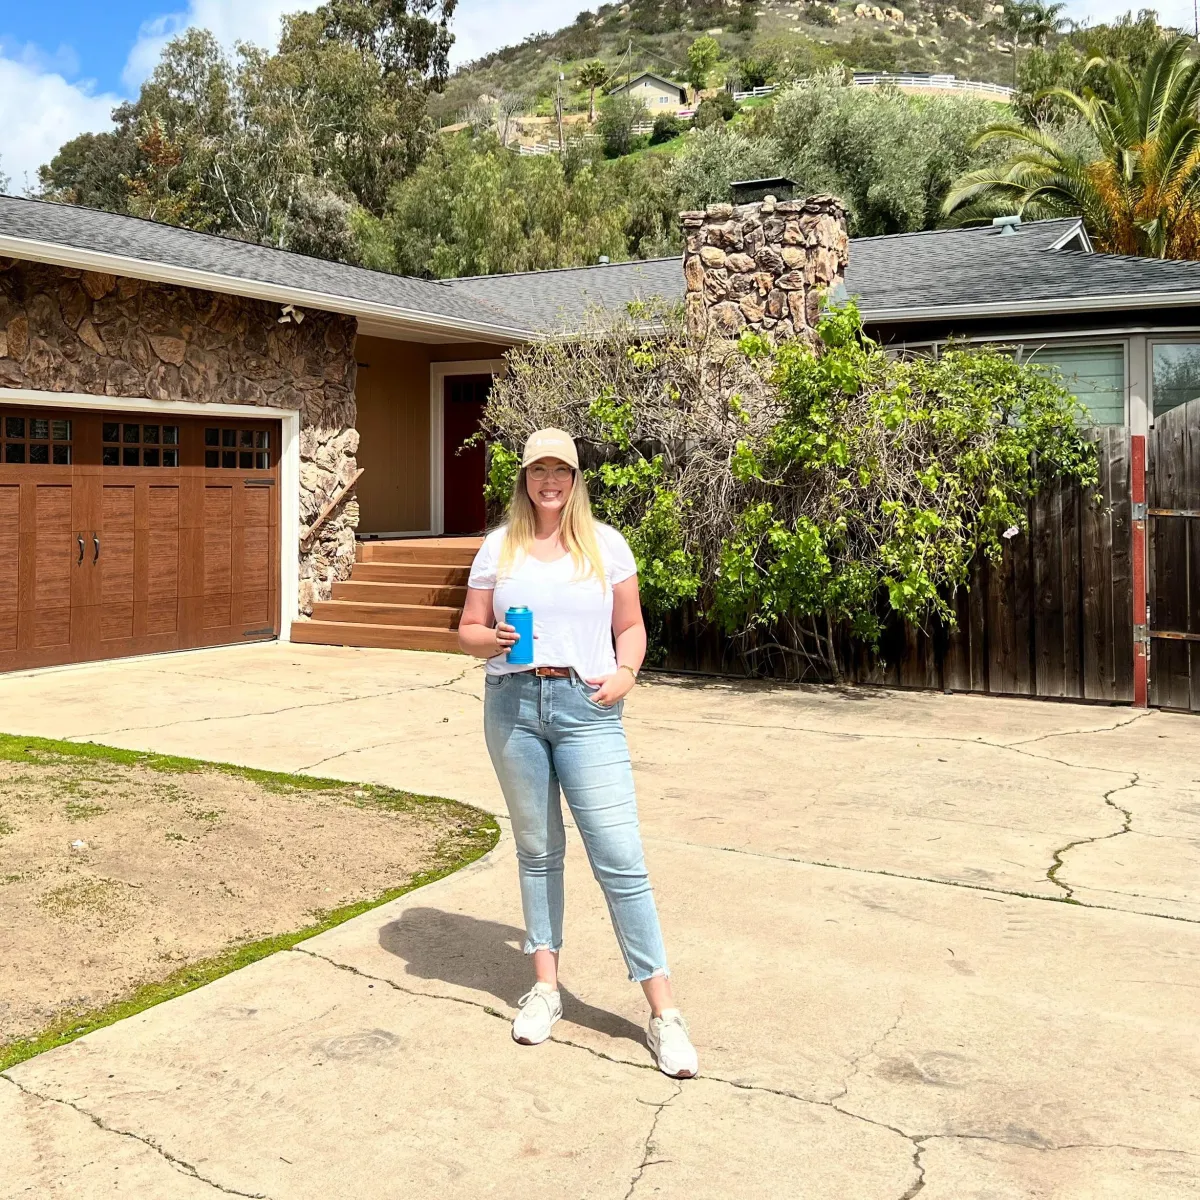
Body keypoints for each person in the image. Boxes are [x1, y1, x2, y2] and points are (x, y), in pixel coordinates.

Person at [458, 428, 698, 1080]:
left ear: (574, 477)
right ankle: (546, 988)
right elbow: (469, 628)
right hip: (513, 707)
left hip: (587, 710)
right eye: (538, 469)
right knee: (538, 852)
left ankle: (664, 1013)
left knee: (620, 858)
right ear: (525, 478)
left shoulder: (606, 544)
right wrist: (491, 639)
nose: (549, 481)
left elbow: (631, 625)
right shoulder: (498, 547)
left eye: (560, 470)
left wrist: (625, 674)